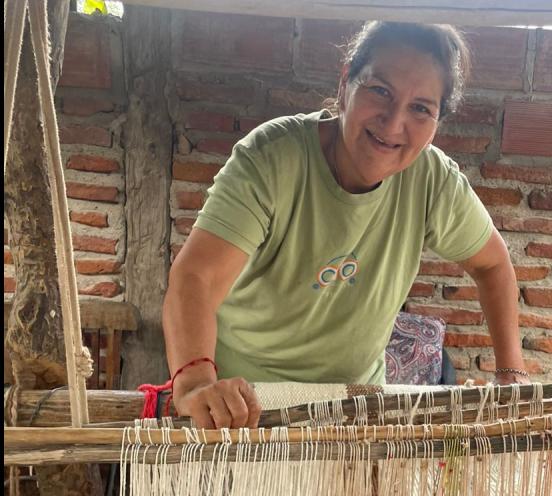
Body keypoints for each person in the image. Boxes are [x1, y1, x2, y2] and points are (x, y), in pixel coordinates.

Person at [162, 21, 529, 430]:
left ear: (438, 121)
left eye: (421, 108)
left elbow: (493, 265)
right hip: (243, 408)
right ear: (344, 85)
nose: (392, 124)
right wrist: (196, 382)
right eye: (380, 91)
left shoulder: (432, 181)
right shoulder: (272, 159)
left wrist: (512, 377)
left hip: (352, 415)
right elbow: (197, 275)